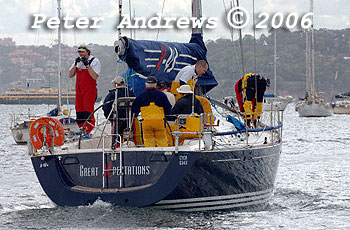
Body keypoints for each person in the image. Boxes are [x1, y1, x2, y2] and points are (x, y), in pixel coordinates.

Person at [69, 45, 101, 135]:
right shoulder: (78, 61)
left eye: (82, 52)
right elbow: (70, 75)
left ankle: (90, 129)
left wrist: (87, 65)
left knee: (88, 110)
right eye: (79, 52)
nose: (81, 54)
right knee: (79, 110)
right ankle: (81, 130)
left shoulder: (94, 61)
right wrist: (75, 65)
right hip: (79, 90)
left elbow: (94, 76)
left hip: (89, 90)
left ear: (87, 51)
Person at [131, 76, 172, 147]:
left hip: (146, 123)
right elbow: (168, 108)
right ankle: (164, 154)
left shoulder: (141, 96)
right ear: (156, 84)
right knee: (162, 141)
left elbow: (134, 109)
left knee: (148, 141)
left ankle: (149, 155)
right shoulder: (162, 95)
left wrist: (137, 114)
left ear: (146, 84)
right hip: (159, 122)